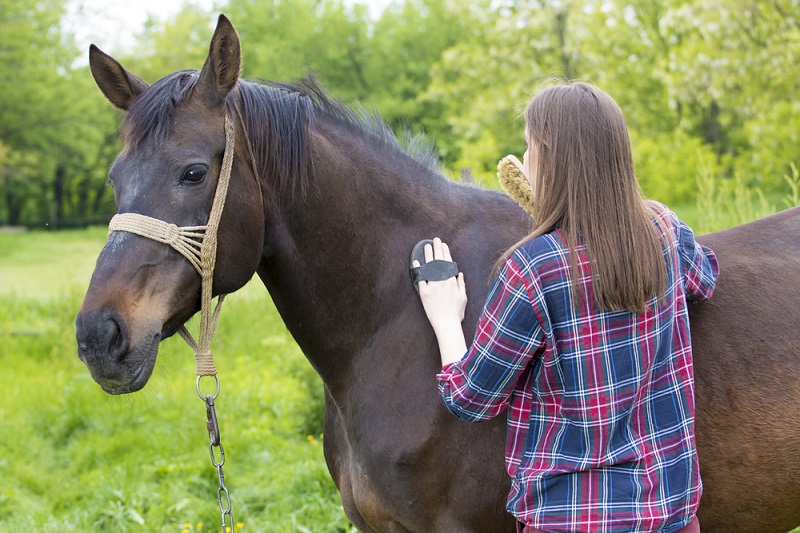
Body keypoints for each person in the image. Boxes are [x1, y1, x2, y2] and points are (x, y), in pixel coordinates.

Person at [411, 82, 719, 533]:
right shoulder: (662, 230)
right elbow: (705, 277)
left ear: (548, 159)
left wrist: (444, 318)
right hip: (670, 515)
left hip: (574, 519)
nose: (524, 156)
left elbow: (472, 399)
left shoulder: (533, 269)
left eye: (529, 145)